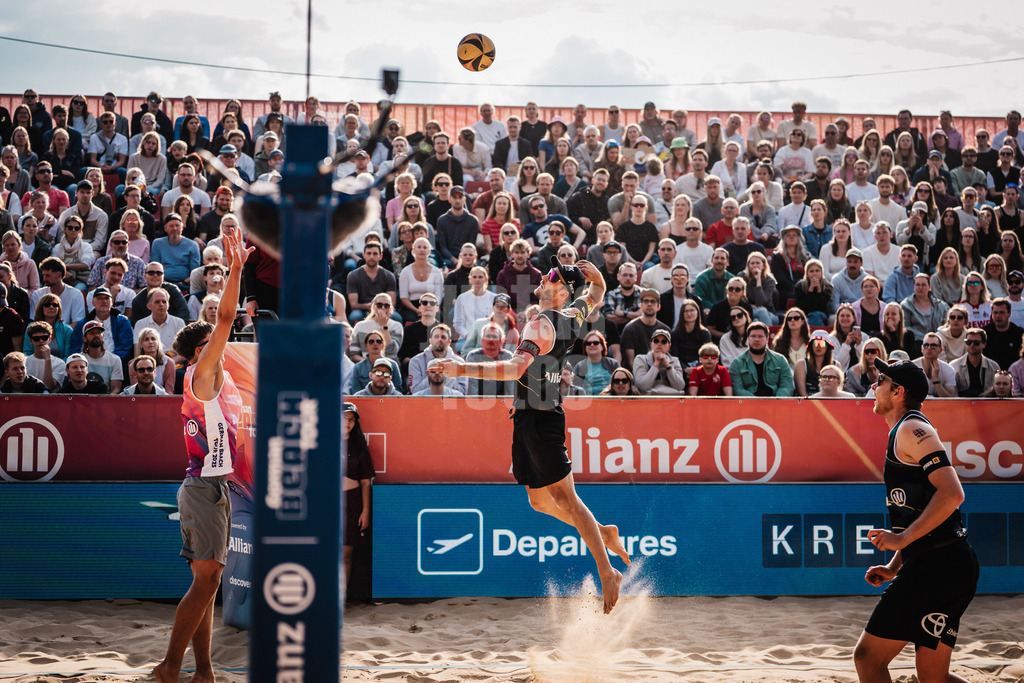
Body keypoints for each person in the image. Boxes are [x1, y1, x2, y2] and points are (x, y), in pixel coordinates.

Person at [440, 257, 631, 614]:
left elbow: (514, 369)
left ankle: (607, 570)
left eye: (553, 276)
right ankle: (604, 534)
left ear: (561, 291)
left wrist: (463, 367)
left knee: (568, 499)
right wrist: (598, 278)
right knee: (538, 501)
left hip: (541, 418)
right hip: (529, 415)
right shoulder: (572, 315)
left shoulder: (541, 326)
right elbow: (598, 292)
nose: (544, 276)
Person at [153, 224, 250, 683]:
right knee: (208, 583)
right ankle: (170, 667)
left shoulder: (217, 380)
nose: (222, 345)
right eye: (212, 341)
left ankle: (204, 671)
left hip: (212, 486)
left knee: (207, 585)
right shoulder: (202, 370)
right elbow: (228, 317)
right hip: (204, 487)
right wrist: (234, 270)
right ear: (200, 349)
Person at [853, 358, 977, 683]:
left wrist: (901, 540)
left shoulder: (911, 428)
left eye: (880, 380)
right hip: (944, 563)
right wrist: (895, 565)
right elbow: (925, 515)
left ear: (898, 391)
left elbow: (952, 494)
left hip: (939, 565)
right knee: (933, 679)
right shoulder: (905, 429)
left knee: (868, 658)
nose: (872, 384)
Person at [729, 321, 795, 396]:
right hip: (748, 405)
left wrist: (776, 402)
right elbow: (738, 390)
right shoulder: (737, 363)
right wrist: (757, 404)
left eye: (760, 336)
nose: (756, 339)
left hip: (776, 404)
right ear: (748, 339)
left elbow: (787, 387)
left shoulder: (780, 360)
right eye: (753, 336)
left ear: (767, 339)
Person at [981, 298, 1024, 370]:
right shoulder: (984, 333)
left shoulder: (1019, 333)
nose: (998, 316)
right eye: (995, 312)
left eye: (1002, 312)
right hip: (990, 373)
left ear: (1009, 313)